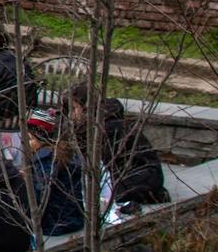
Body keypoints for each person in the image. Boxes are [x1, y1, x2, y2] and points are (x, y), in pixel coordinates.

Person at [63, 85, 168, 213]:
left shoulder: (107, 129)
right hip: (136, 176)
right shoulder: (100, 126)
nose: (71, 116)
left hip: (141, 178)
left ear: (87, 108)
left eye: (74, 109)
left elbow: (101, 169)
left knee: (90, 195)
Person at [26, 110, 85, 236]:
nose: (26, 143)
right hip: (74, 218)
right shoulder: (65, 154)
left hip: (54, 223)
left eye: (30, 138)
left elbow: (40, 195)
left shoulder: (44, 159)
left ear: (41, 138)